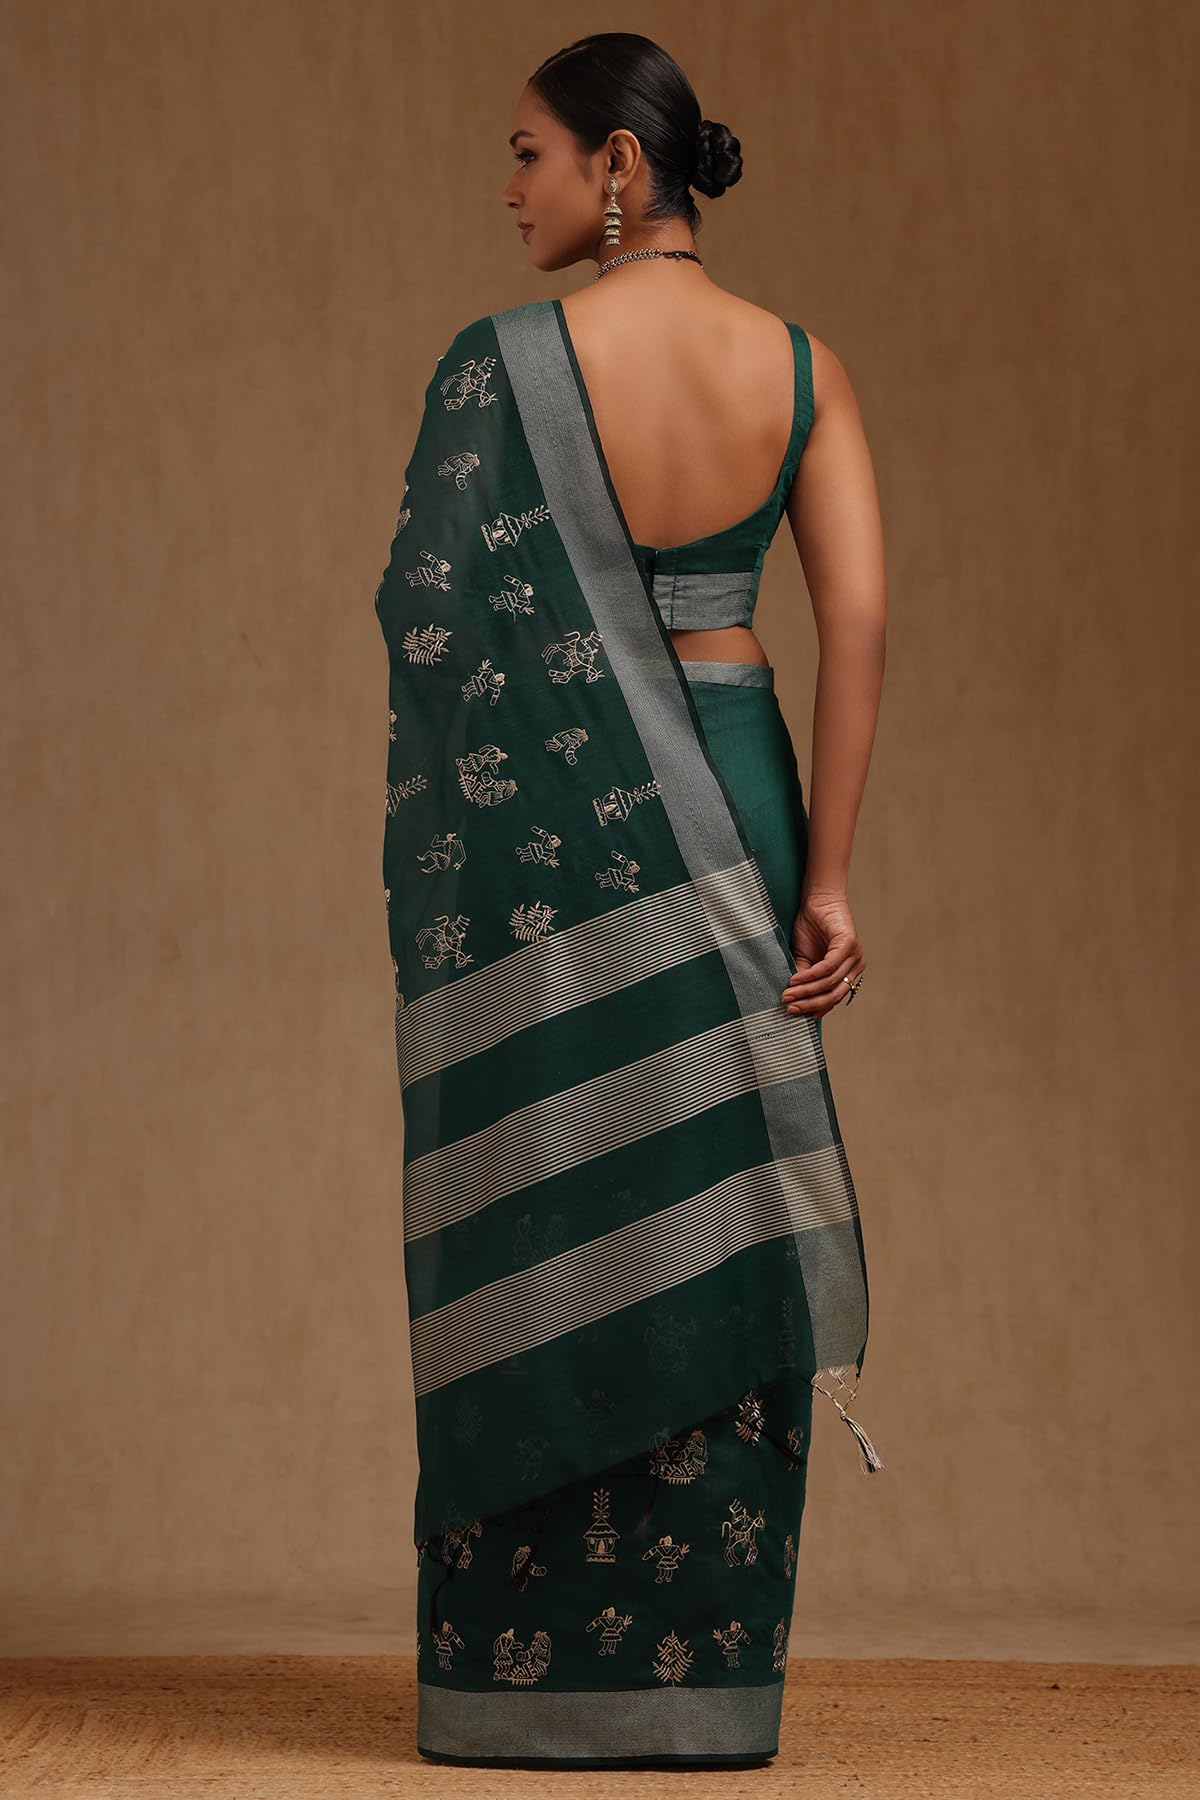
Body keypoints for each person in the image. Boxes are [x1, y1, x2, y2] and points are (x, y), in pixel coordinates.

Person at [373, 30, 888, 1772]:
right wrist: (828, 879)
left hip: (555, 837)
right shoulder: (798, 365)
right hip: (739, 784)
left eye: (525, 151)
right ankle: (707, 1678)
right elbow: (858, 618)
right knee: (719, 1182)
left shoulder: (500, 368)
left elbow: (429, 615)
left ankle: (516, 1684)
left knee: (548, 1176)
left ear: (616, 164)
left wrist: (538, 755)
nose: (505, 187)